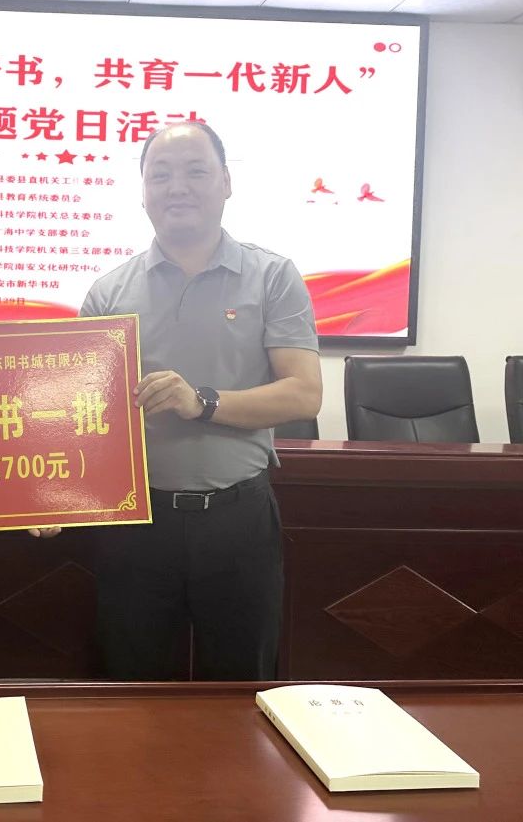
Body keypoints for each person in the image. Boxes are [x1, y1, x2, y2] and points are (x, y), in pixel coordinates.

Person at [78, 120, 322, 681]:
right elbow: (81, 418)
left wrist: (201, 402)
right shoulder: (109, 293)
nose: (177, 187)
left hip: (237, 521)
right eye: (160, 175)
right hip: (135, 525)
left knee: (240, 690)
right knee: (131, 690)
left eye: (195, 171)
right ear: (143, 191)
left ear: (227, 182)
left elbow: (304, 392)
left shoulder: (272, 276)